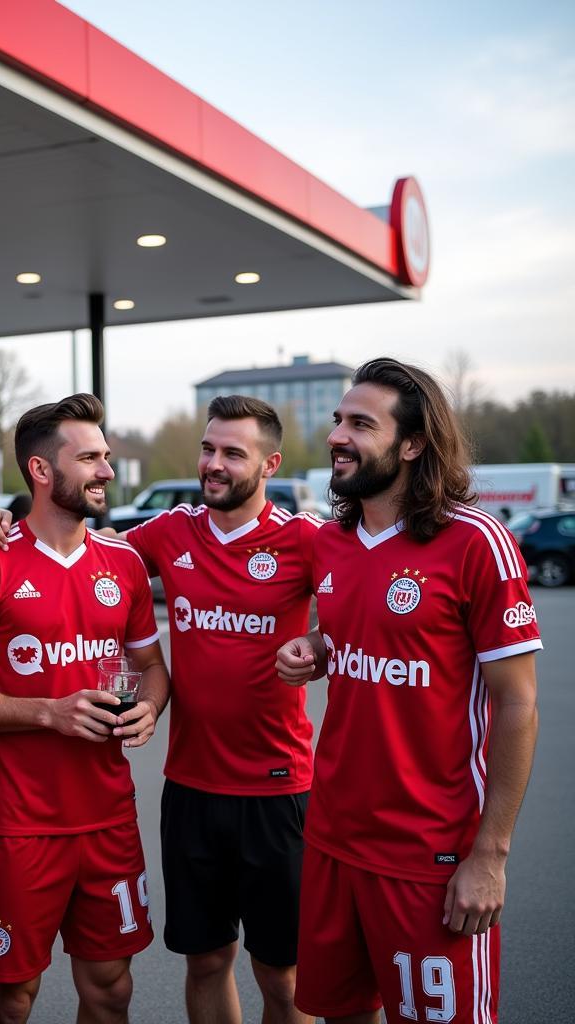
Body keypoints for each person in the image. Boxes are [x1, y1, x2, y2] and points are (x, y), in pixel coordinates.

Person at [0, 395, 321, 1024]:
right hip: (187, 791)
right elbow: (82, 543)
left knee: (284, 977)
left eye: (231, 453)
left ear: (270, 465)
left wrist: (319, 645)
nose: (213, 464)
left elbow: (371, 591)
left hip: (278, 789)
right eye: (208, 448)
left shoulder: (305, 539)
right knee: (205, 961)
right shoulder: (163, 536)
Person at [276, 357, 541, 1024]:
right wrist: (320, 646)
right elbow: (369, 636)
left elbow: (518, 703)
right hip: (334, 838)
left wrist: (490, 855)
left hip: (431, 851)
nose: (338, 434)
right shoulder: (333, 541)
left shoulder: (477, 542)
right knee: (344, 1013)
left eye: (361, 424)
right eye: (338, 420)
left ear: (413, 442)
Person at [0, 393, 169, 1024]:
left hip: (108, 820)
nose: (106, 472)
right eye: (91, 458)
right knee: (13, 997)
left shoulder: (123, 561)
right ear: (42, 472)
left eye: (107, 457)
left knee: (111, 991)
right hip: (19, 826)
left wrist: (150, 707)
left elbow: (153, 669)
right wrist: (50, 712)